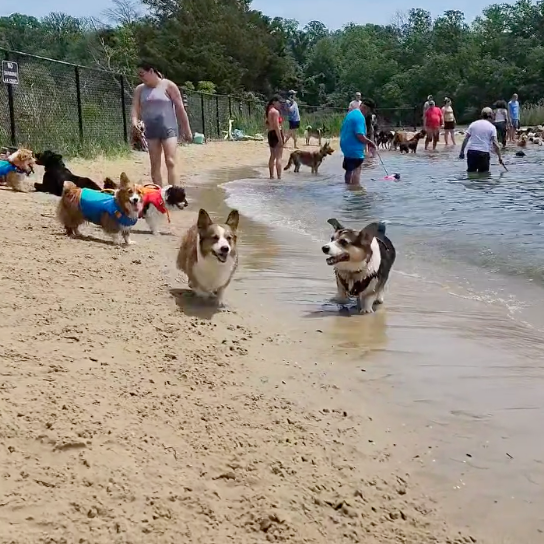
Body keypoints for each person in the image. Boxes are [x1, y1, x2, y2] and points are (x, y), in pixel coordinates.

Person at [131, 62, 192, 187]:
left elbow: (180, 108)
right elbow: (135, 108)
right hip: (151, 130)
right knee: (155, 164)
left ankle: (174, 193)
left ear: (152, 71)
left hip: (169, 128)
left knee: (170, 161)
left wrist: (187, 130)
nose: (141, 78)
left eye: (142, 74)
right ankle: (159, 195)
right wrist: (134, 121)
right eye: (139, 75)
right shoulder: (140, 89)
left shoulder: (168, 85)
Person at [339, 102, 377, 185]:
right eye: (370, 111)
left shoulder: (351, 113)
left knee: (349, 169)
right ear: (366, 108)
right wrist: (370, 143)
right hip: (354, 147)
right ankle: (356, 191)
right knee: (357, 169)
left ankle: (348, 188)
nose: (369, 114)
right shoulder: (359, 117)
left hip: (346, 145)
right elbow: (359, 135)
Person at [459, 107, 505, 173]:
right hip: (483, 153)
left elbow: (466, 139)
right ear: (490, 115)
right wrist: (500, 157)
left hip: (472, 152)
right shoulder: (492, 127)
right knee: (484, 176)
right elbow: (495, 144)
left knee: (471, 173)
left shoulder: (473, 124)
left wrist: (462, 151)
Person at [266, 95, 284, 179]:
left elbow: (267, 124)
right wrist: (280, 139)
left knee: (272, 156)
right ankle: (279, 177)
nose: (280, 104)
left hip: (270, 133)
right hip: (276, 133)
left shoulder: (269, 111)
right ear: (274, 102)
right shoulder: (275, 112)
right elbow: (276, 126)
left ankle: (271, 176)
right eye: (279, 102)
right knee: (279, 157)